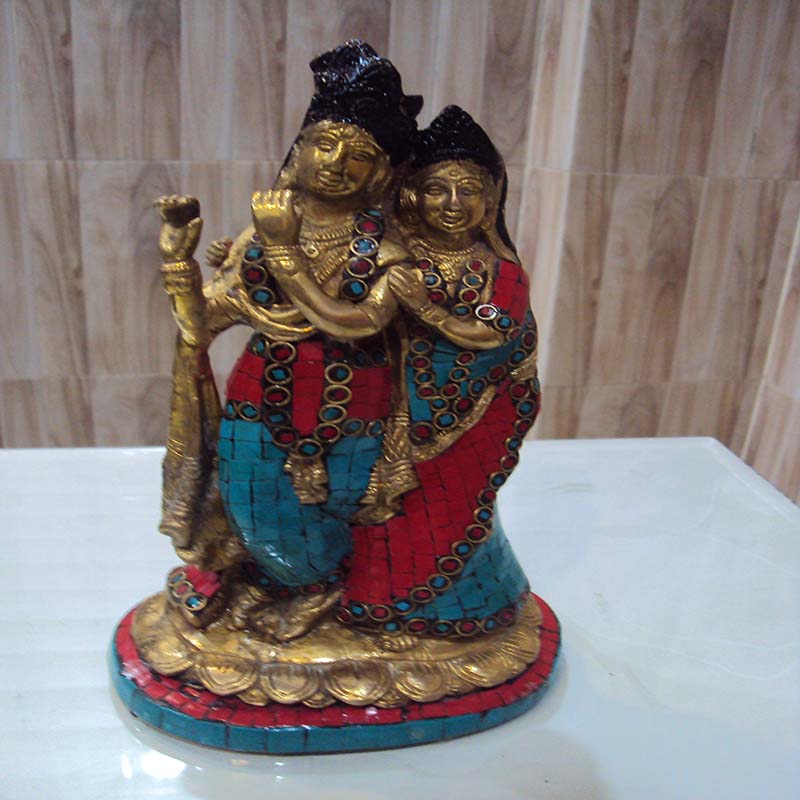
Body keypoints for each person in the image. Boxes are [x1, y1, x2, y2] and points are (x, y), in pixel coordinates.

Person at [153, 41, 422, 636]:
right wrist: (178, 261)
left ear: (379, 174)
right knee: (248, 501)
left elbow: (351, 322)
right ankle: (269, 574)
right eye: (324, 144)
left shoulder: (385, 251)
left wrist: (282, 248)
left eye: (359, 154)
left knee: (328, 512)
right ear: (297, 154)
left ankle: (318, 590)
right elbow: (201, 324)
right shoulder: (256, 239)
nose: (336, 162)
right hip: (261, 398)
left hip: (349, 409)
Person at [332, 106, 541, 638]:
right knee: (379, 517)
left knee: (452, 514)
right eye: (436, 189)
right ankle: (372, 604)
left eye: (468, 190)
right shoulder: (390, 255)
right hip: (391, 417)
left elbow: (493, 331)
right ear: (411, 195)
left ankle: (464, 611)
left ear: (489, 200)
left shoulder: (501, 272)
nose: (452, 203)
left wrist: (426, 310)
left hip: (472, 420)